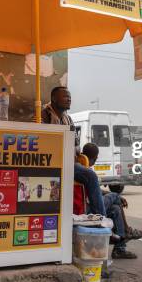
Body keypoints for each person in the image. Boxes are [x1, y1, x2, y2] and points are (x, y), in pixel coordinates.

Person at [42, 87, 106, 216]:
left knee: (90, 175)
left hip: (69, 162)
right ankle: (101, 217)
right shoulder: (44, 115)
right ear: (54, 98)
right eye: (65, 96)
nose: (69, 99)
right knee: (91, 176)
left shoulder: (68, 119)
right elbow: (42, 141)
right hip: (52, 162)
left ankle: (96, 215)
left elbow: (76, 145)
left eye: (70, 96)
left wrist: (72, 153)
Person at [82, 143, 142, 259]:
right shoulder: (86, 172)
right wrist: (113, 195)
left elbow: (95, 190)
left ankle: (120, 249)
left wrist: (107, 194)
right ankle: (126, 231)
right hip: (87, 210)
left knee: (116, 208)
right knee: (115, 195)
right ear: (95, 158)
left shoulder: (83, 169)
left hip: (89, 206)